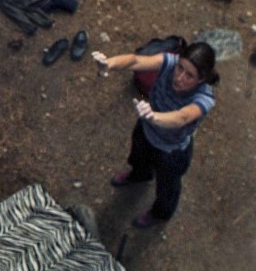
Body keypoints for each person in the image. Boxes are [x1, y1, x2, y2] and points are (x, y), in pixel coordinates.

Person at [92, 42, 218, 228]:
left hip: (171, 151)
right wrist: (109, 63)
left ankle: (160, 214)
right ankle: (139, 175)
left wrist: (154, 117)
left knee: (168, 188)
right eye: (180, 68)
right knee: (138, 158)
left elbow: (182, 117)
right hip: (146, 131)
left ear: (201, 79)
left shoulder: (204, 98)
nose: (180, 77)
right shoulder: (169, 62)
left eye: (189, 75)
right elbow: (136, 61)